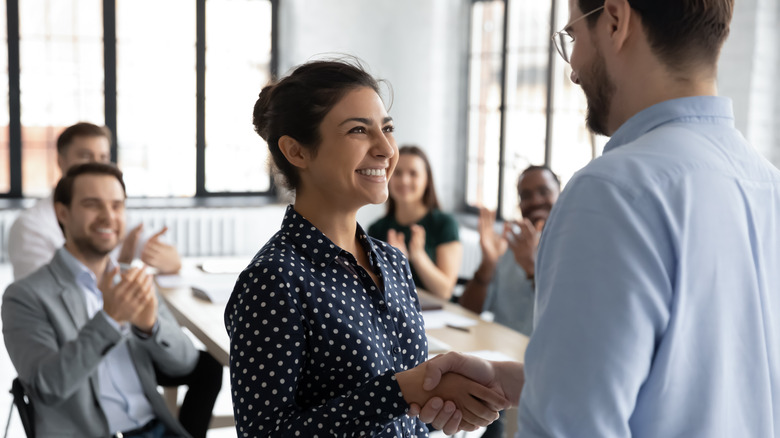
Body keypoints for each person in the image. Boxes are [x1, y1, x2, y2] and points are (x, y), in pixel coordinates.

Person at [413, 0, 780, 436]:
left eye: (573, 37)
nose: (573, 70)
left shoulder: (613, 190)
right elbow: (709, 389)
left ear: (616, 20)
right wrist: (530, 381)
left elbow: (569, 429)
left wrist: (554, 400)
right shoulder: (767, 184)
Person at [224, 59, 509, 437]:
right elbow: (265, 433)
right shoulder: (274, 280)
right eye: (359, 130)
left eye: (387, 128)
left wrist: (437, 401)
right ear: (297, 152)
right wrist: (400, 390)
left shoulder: (392, 261)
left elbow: (406, 410)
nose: (387, 149)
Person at [6, 122, 222, 438]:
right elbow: (47, 389)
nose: (109, 217)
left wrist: (151, 328)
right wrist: (109, 319)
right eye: (92, 205)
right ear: (62, 214)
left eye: (117, 206)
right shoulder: (23, 296)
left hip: (155, 429)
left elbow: (183, 365)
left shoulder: (131, 281)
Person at [8, 122, 182, 280]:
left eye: (103, 158)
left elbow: (166, 254)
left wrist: (169, 258)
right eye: (85, 156)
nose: (96, 166)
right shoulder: (31, 226)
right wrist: (121, 268)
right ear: (63, 214)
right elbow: (46, 299)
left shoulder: (114, 216)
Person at [459, 165, 560, 336]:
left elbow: (564, 317)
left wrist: (531, 267)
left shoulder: (574, 247)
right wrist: (488, 264)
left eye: (544, 192)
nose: (535, 201)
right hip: (501, 351)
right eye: (526, 196)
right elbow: (467, 310)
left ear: (561, 195)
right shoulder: (508, 244)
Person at [368, 145, 462, 299]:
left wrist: (418, 256)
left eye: (413, 174)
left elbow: (444, 292)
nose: (404, 180)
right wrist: (397, 264)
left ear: (427, 180)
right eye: (397, 173)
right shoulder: (376, 229)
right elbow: (376, 289)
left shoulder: (445, 224)